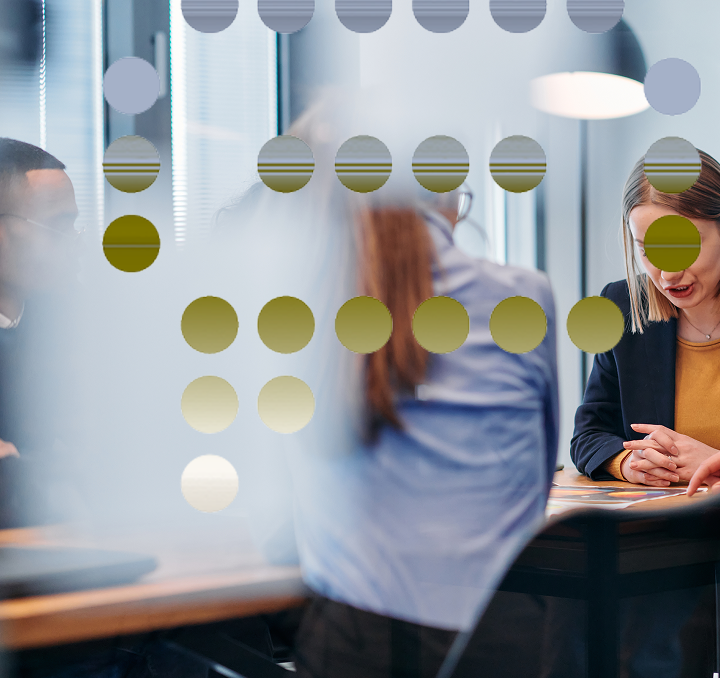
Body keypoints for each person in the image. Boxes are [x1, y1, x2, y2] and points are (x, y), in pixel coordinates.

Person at [243, 98, 559, 678]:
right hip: (505, 645)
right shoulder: (523, 297)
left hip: (361, 647)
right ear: (445, 195)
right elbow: (531, 493)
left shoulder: (292, 310)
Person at [572, 149, 720, 484]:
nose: (667, 273)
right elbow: (589, 434)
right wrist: (630, 462)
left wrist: (714, 461)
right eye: (647, 249)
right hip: (660, 530)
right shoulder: (623, 305)